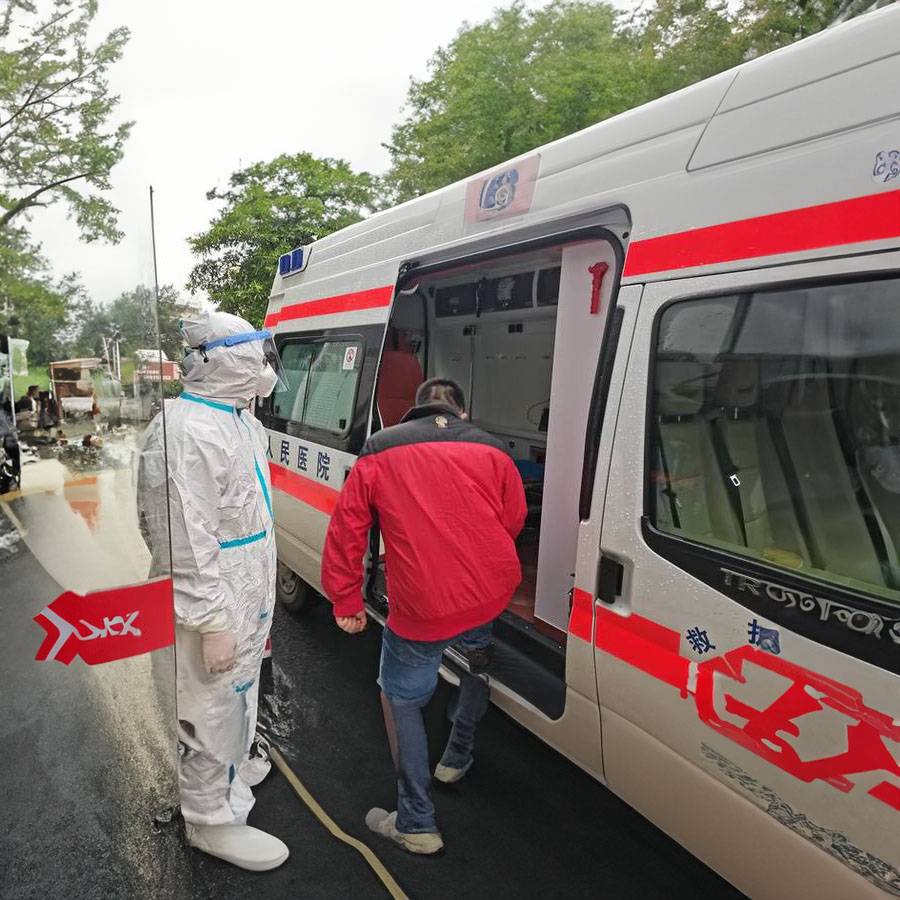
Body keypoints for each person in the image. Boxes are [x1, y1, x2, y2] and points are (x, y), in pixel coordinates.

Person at [321, 377, 527, 855]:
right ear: (462, 412)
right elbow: (512, 519)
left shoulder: (379, 448)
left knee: (402, 698)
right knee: (476, 664)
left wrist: (346, 601)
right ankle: (457, 756)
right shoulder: (493, 450)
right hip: (487, 593)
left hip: (422, 607)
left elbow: (348, 529)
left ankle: (415, 821)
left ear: (412, 410)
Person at [138, 310, 289, 872]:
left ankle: (234, 771)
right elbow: (182, 538)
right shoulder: (186, 430)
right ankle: (210, 820)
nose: (265, 363)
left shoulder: (239, 419)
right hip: (213, 596)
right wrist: (211, 621)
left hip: (246, 587)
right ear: (226, 358)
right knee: (210, 705)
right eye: (255, 352)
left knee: (240, 693)